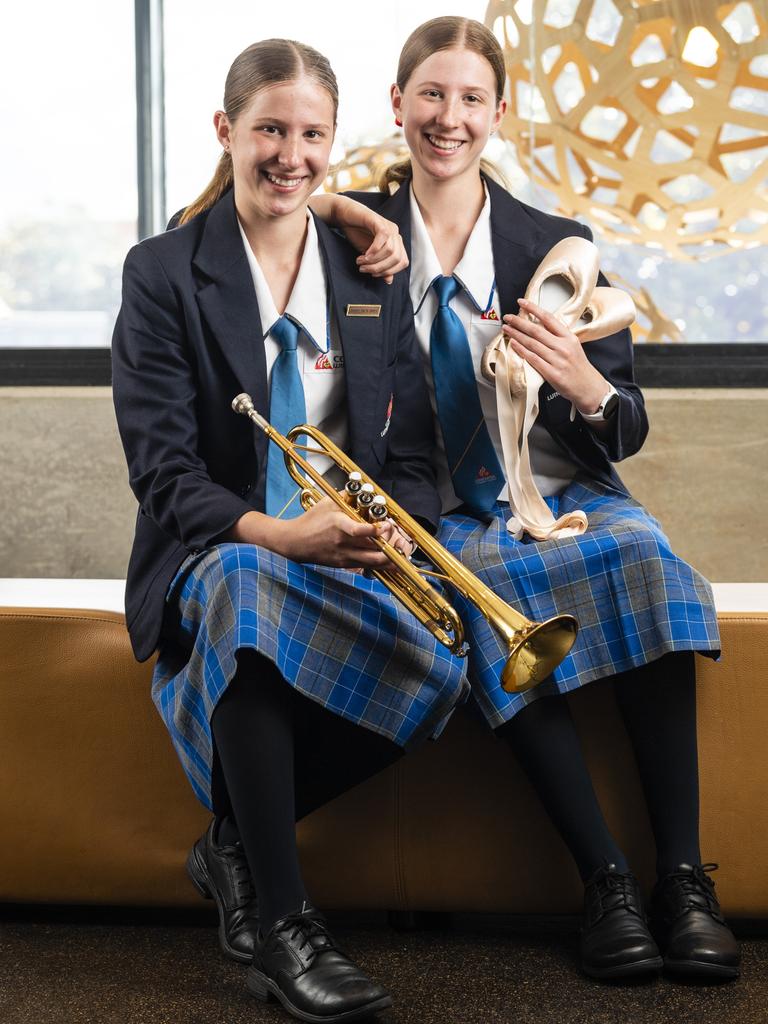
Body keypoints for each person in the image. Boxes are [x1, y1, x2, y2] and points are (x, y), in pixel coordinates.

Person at [311, 16, 740, 982]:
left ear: (498, 116)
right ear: (397, 105)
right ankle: (606, 884)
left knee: (648, 559)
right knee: (491, 597)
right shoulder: (360, 245)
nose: (448, 118)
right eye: (430, 95)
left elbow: (623, 422)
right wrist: (341, 211)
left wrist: (583, 383)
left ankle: (682, 879)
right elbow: (259, 216)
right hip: (444, 512)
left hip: (563, 489)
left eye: (470, 100)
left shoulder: (559, 245)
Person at [111, 37, 469, 1023]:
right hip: (213, 557)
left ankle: (228, 841)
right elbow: (165, 477)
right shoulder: (162, 276)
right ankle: (286, 921)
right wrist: (276, 532)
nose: (292, 154)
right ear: (227, 131)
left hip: (348, 554)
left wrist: (391, 533)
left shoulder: (370, 268)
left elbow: (411, 454)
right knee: (245, 585)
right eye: (270, 129)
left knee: (455, 659)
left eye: (313, 134)